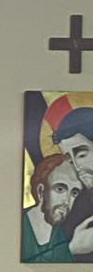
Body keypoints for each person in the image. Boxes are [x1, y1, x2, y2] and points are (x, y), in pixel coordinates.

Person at [22, 153, 82, 263]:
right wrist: (72, 248)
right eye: (60, 189)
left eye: (74, 193)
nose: (67, 201)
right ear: (40, 191)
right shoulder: (19, 226)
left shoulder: (60, 235)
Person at [54, 107, 93, 260]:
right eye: (70, 160)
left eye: (81, 155)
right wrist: (73, 249)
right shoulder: (74, 205)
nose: (77, 167)